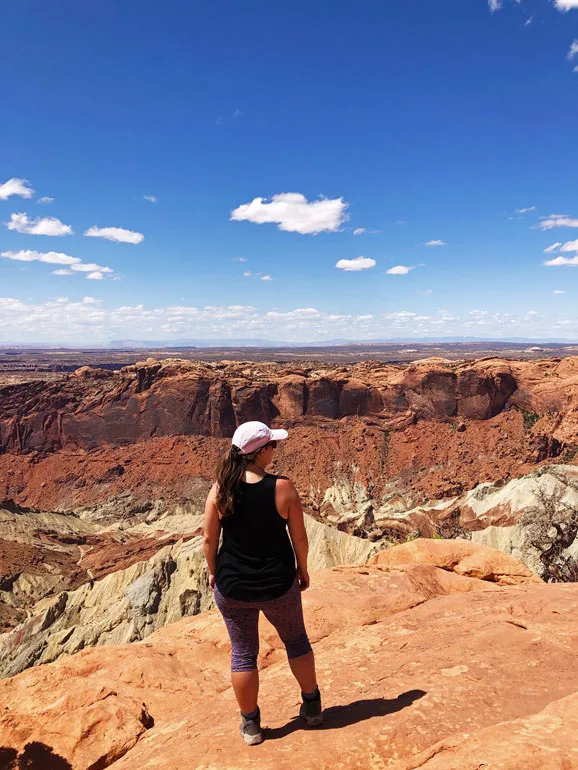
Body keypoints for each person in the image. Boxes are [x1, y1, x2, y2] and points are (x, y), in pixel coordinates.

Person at [203, 420, 323, 746]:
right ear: (260, 452)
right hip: (277, 584)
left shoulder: (221, 488)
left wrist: (214, 571)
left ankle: (251, 725)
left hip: (233, 586)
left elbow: (208, 539)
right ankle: (312, 706)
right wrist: (303, 569)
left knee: (243, 653)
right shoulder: (282, 487)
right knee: (296, 640)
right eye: (273, 445)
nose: (276, 450)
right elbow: (299, 536)